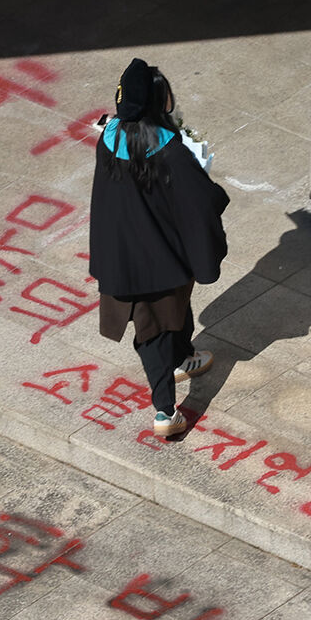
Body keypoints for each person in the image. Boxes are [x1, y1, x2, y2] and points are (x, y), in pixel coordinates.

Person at [88, 58, 230, 437]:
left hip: (121, 254)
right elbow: (198, 202)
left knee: (176, 311)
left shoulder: (109, 139)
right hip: (159, 258)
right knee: (152, 333)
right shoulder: (168, 150)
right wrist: (213, 191)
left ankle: (184, 358)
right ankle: (165, 412)